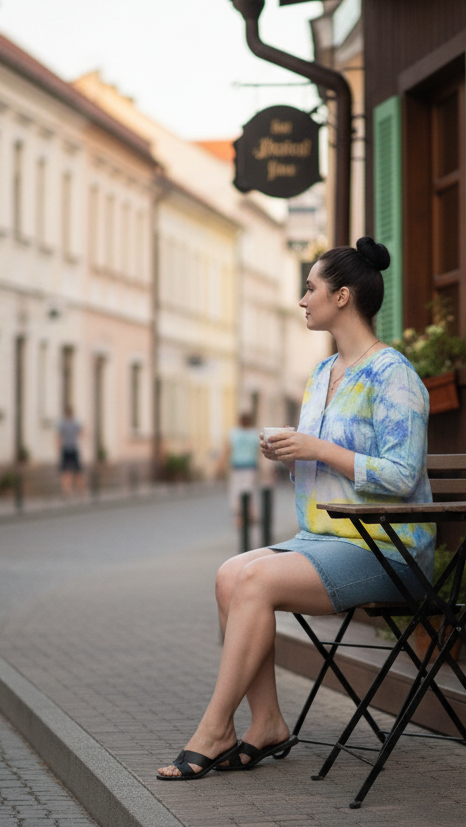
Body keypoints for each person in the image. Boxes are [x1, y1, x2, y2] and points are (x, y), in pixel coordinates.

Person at [157, 236, 434, 780]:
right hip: (326, 540)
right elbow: (316, 474)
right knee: (229, 576)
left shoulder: (393, 375)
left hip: (387, 548)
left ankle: (215, 729)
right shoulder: (318, 376)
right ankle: (266, 724)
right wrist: (288, 453)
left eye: (311, 287)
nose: (302, 299)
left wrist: (318, 448)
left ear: (344, 296)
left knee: (256, 582)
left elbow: (402, 476)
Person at [226, 411, 259, 527]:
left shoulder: (238, 433)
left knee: (241, 492)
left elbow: (228, 449)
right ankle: (245, 515)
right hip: (245, 466)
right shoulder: (250, 433)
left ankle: (245, 515)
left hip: (243, 466)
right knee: (244, 491)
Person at [57, 406, 83, 496]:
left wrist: (58, 447)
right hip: (72, 448)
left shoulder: (63, 423)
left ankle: (67, 491)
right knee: (76, 471)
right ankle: (79, 490)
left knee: (66, 471)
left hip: (66, 448)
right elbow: (81, 433)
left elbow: (58, 437)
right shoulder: (74, 423)